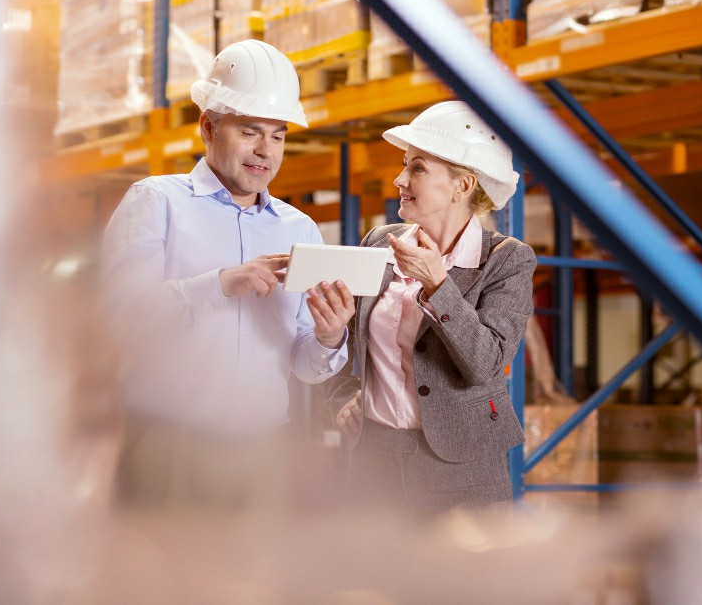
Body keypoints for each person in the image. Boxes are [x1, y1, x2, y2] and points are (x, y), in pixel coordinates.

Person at [102, 39, 355, 510]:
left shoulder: (299, 228)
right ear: (208, 127)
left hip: (264, 453)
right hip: (167, 443)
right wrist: (220, 284)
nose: (265, 151)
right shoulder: (156, 202)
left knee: (250, 582)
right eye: (250, 131)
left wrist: (329, 337)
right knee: (160, 579)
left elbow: (304, 365)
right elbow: (116, 320)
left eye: (278, 135)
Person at [323, 101, 536, 520]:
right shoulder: (379, 242)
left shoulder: (506, 261)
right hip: (373, 460)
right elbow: (345, 345)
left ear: (462, 186)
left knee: (460, 585)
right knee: (373, 583)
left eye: (417, 168)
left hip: (461, 469)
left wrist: (439, 285)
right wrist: (344, 397)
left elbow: (485, 363)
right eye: (404, 164)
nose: (399, 178)